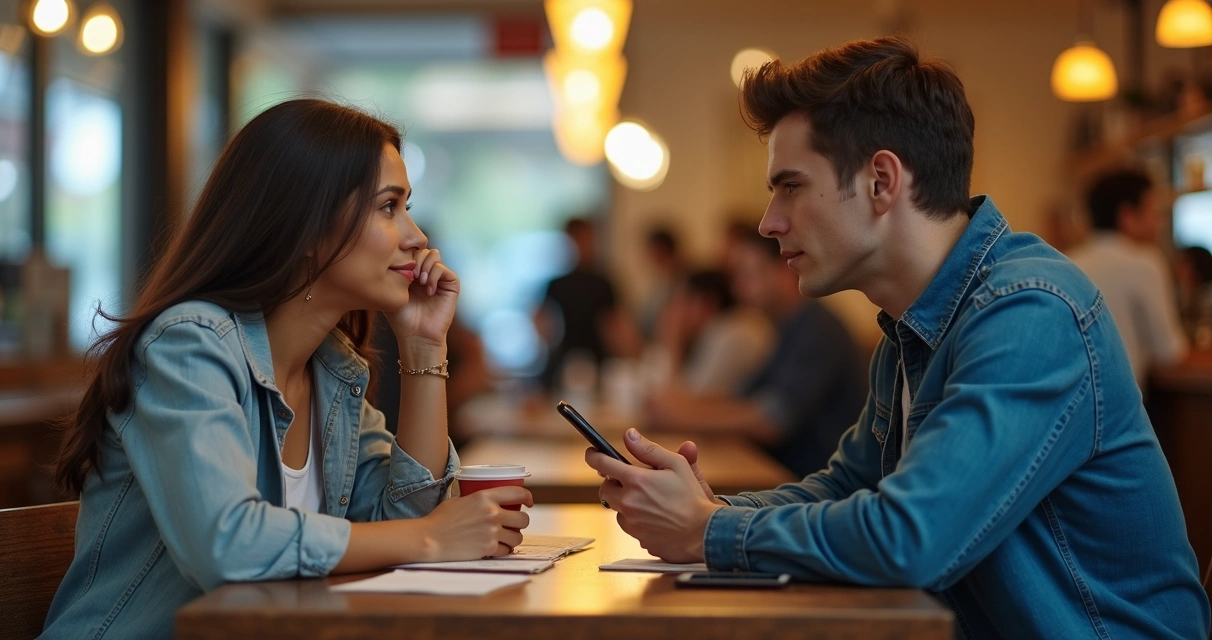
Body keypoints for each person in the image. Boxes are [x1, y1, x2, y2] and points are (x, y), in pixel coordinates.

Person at [585, 37, 1209, 639]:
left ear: (882, 181)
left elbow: (913, 538)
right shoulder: (913, 323)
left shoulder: (1030, 312)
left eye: (790, 186)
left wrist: (707, 532)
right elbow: (846, 487)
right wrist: (710, 509)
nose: (769, 222)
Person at [43, 99, 532, 639]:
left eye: (407, 207)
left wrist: (422, 347)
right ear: (304, 225)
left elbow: (403, 524)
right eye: (389, 207)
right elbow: (227, 544)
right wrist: (434, 537)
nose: (417, 237)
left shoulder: (333, 373)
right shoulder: (189, 344)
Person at [646, 232, 865, 477]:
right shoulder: (784, 328)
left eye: (748, 274)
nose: (738, 288)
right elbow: (742, 399)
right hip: (785, 479)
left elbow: (772, 421)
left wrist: (681, 417)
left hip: (817, 486)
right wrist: (679, 406)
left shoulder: (818, 328)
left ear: (785, 269)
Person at [1069, 170, 1188, 386]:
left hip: (1073, 406)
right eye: (1153, 210)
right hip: (1122, 408)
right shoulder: (1144, 262)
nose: (1159, 221)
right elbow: (1169, 352)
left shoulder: (1066, 261)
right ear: (1127, 216)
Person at [535, 217, 638, 390]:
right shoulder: (556, 284)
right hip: (564, 362)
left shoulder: (604, 282)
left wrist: (630, 356)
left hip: (599, 363)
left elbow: (616, 325)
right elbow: (541, 320)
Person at [653, 268, 773, 396]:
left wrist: (673, 344)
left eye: (684, 302)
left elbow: (684, 405)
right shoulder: (720, 332)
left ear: (708, 304)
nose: (676, 312)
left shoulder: (731, 335)